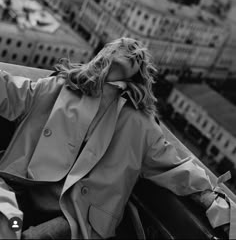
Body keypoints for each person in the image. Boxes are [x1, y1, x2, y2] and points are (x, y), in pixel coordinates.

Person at [0, 37, 234, 239]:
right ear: (105, 54)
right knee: (9, 226)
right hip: (23, 187)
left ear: (139, 73)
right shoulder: (57, 87)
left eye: (138, 55)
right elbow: (9, 92)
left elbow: (175, 167)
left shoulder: (141, 124)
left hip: (76, 217)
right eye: (124, 47)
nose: (133, 50)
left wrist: (212, 200)